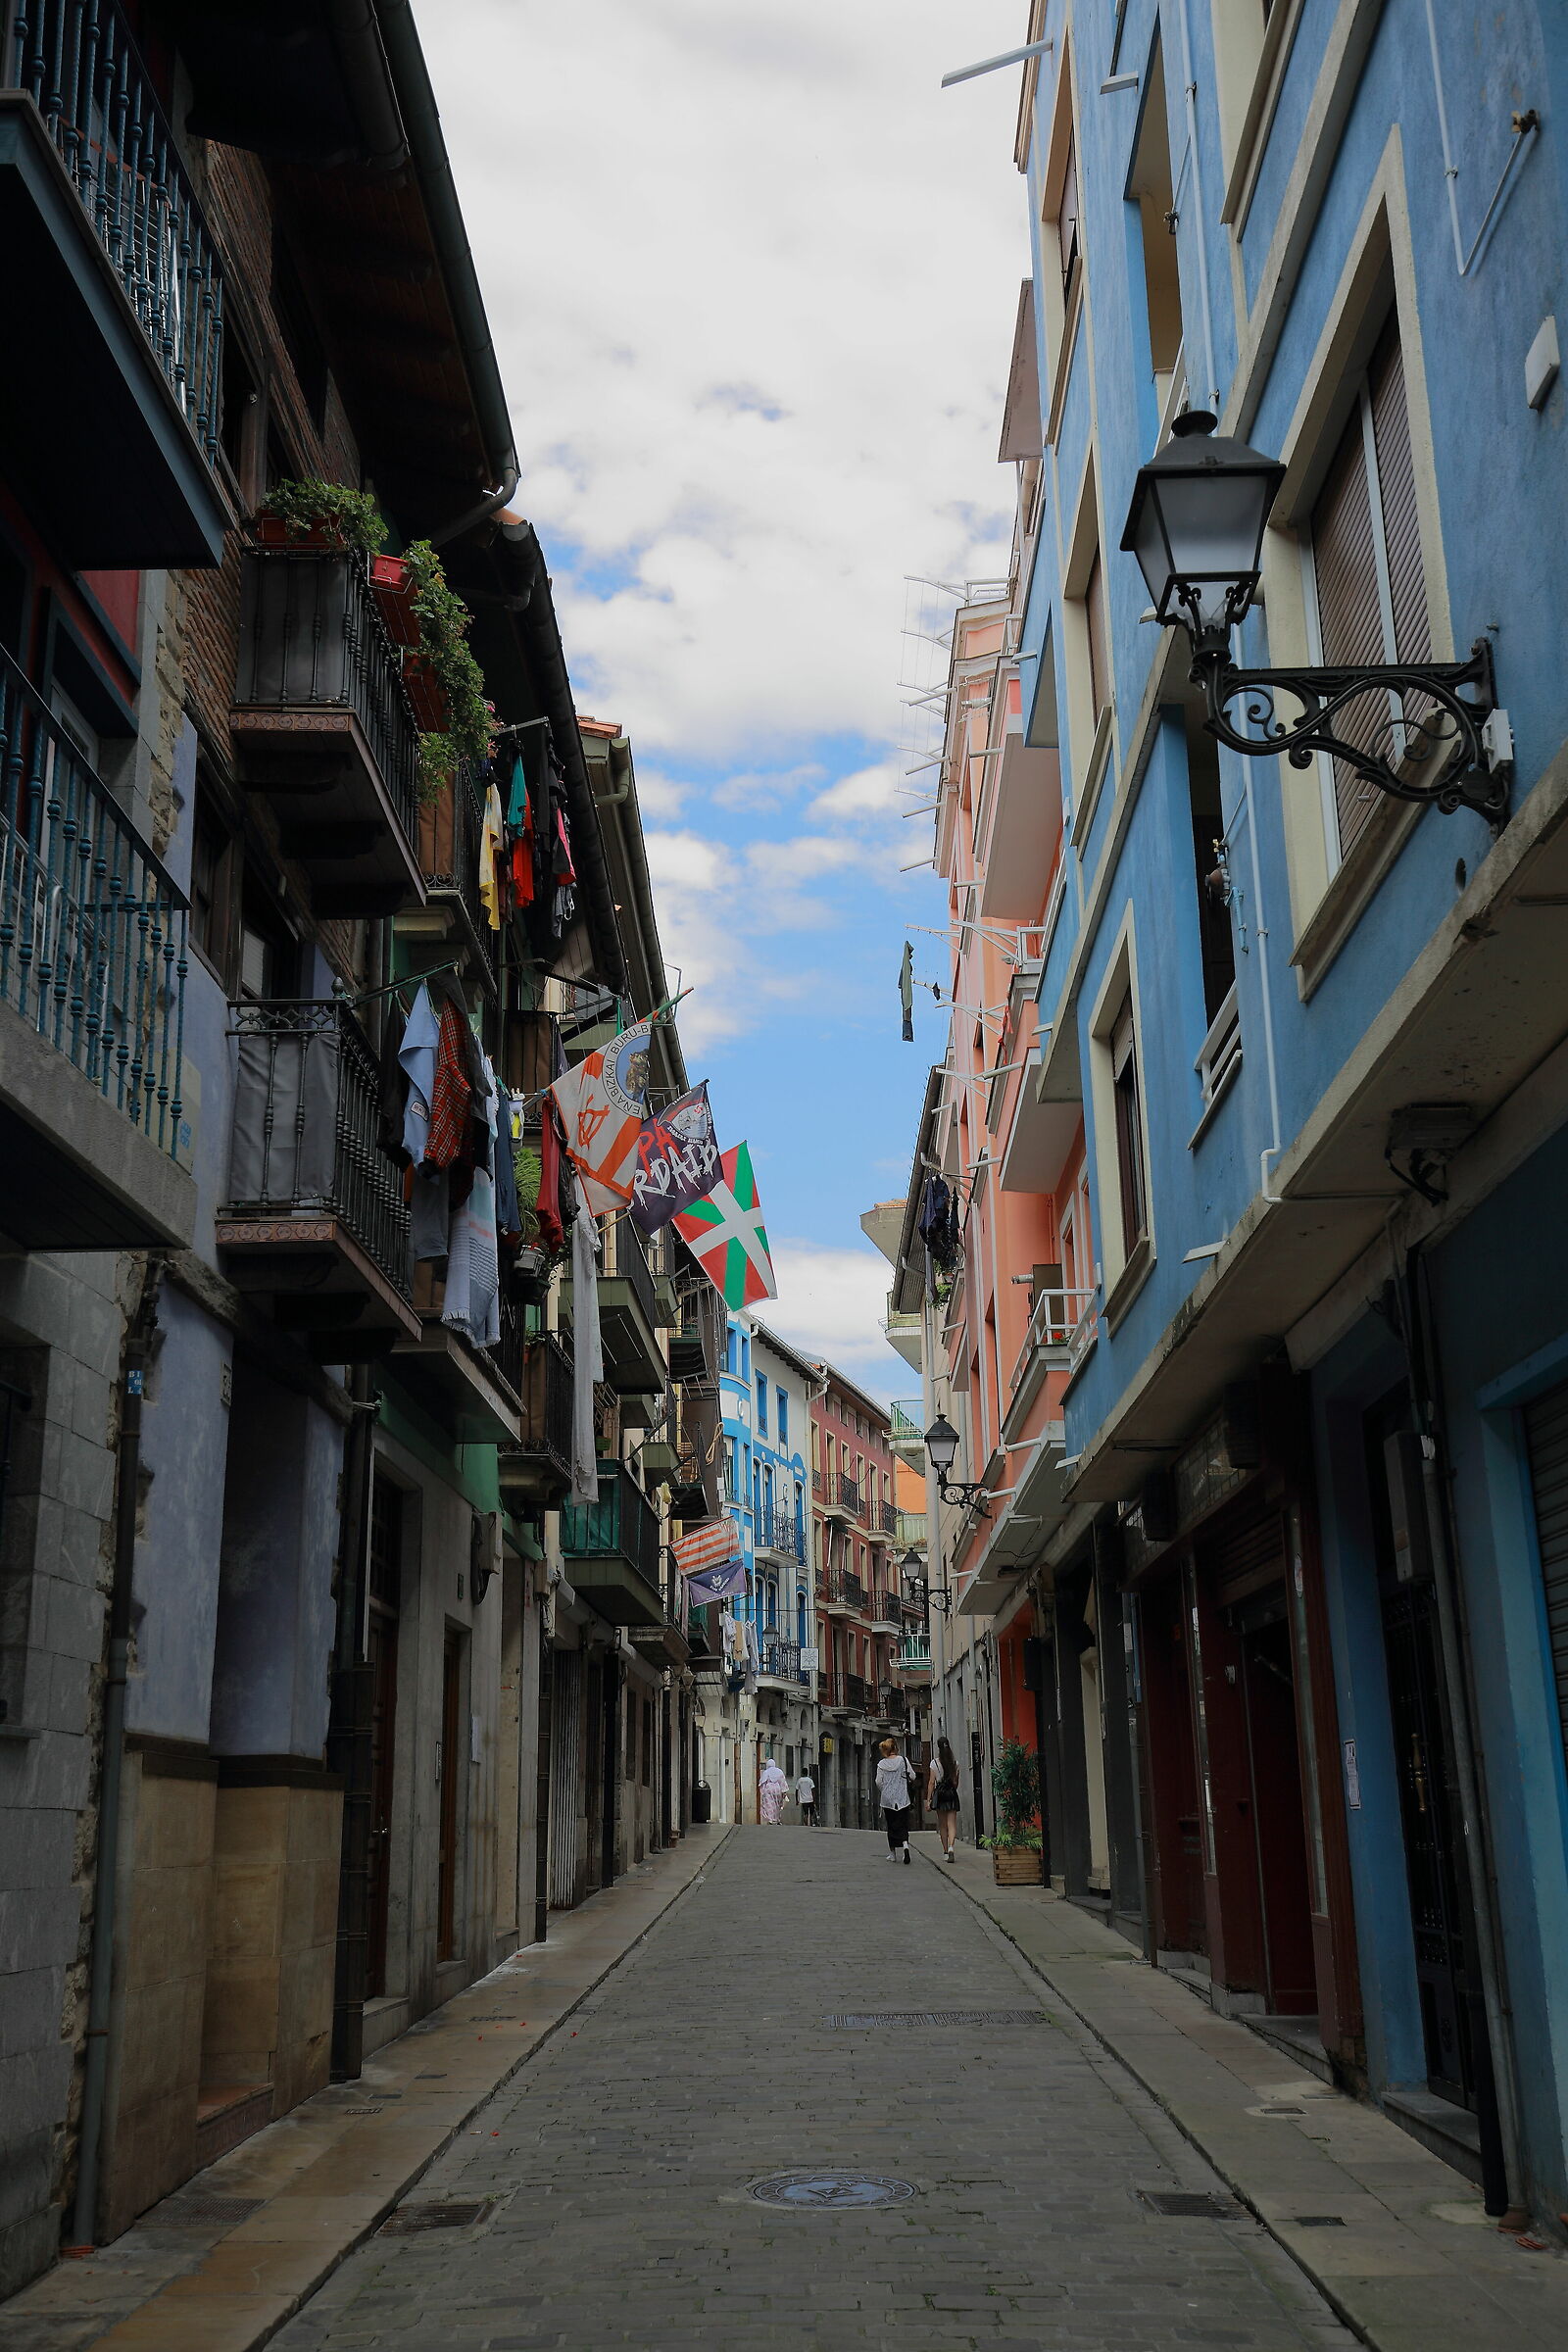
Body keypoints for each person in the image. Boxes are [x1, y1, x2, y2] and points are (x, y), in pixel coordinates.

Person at [875, 1737, 916, 1863]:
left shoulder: (881, 1764)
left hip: (887, 1799)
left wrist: (885, 1790)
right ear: (895, 1748)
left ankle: (892, 1854)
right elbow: (913, 1776)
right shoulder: (903, 1761)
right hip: (902, 1797)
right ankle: (905, 1845)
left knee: (891, 1825)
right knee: (903, 1823)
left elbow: (878, 1782)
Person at [927, 1734, 962, 1862]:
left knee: (942, 1825)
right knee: (951, 1823)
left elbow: (931, 1782)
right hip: (951, 1794)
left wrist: (929, 1800)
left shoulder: (934, 1763)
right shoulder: (955, 1763)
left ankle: (945, 1851)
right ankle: (952, 1846)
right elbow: (955, 1783)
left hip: (940, 1795)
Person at [759, 1757, 788, 1825]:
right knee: (777, 1805)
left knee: (769, 1805)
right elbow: (782, 1781)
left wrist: (763, 1792)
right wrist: (784, 1791)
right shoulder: (779, 1771)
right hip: (778, 1789)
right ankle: (777, 1819)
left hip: (769, 1789)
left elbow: (763, 1782)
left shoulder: (766, 1772)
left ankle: (771, 1819)